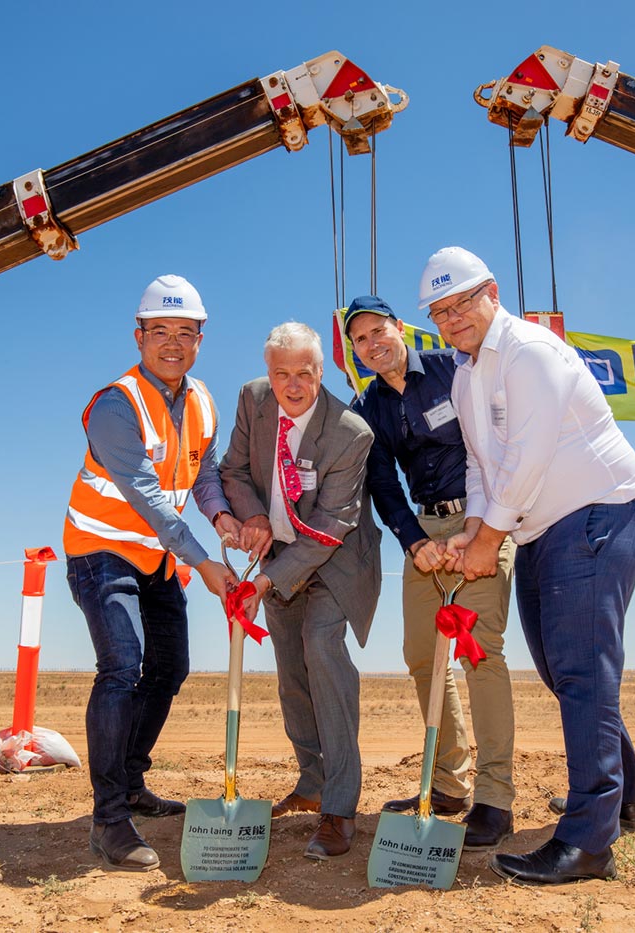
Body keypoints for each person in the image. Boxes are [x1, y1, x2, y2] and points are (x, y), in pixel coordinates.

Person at [419, 247, 635, 885]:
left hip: (599, 514)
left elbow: (525, 461)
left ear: (491, 292)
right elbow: (479, 465)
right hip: (542, 531)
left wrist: (484, 543)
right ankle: (622, 799)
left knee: (581, 673)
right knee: (565, 671)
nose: (451, 320)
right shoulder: (466, 376)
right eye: (439, 313)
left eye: (461, 302)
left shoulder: (531, 352)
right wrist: (473, 532)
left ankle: (587, 842)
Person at [62, 274, 243, 872]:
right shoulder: (117, 404)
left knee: (171, 666)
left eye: (185, 333)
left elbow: (205, 472)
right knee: (122, 666)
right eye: (160, 331)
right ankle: (109, 818)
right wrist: (206, 562)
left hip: (159, 557)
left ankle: (132, 781)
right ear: (138, 337)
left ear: (200, 340)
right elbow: (147, 496)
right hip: (101, 551)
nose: (173, 343)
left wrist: (221, 518)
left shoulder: (203, 402)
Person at [342, 295, 518, 849]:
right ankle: (448, 785)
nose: (373, 344)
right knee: (423, 655)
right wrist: (415, 542)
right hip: (424, 534)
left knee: (478, 651)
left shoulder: (453, 368)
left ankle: (494, 797)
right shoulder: (366, 406)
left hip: (484, 522)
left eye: (379, 331)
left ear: (400, 328)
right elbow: (383, 484)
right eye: (360, 340)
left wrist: (479, 529)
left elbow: (494, 443)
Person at [219, 321, 381, 861]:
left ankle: (339, 808)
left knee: (322, 652)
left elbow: (333, 527)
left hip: (334, 562)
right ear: (269, 373)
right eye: (281, 373)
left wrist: (266, 577)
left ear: (321, 372)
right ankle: (311, 782)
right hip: (277, 554)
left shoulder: (349, 432)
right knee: (291, 673)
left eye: (304, 374)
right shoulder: (253, 399)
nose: (292, 386)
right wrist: (252, 520)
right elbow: (234, 471)